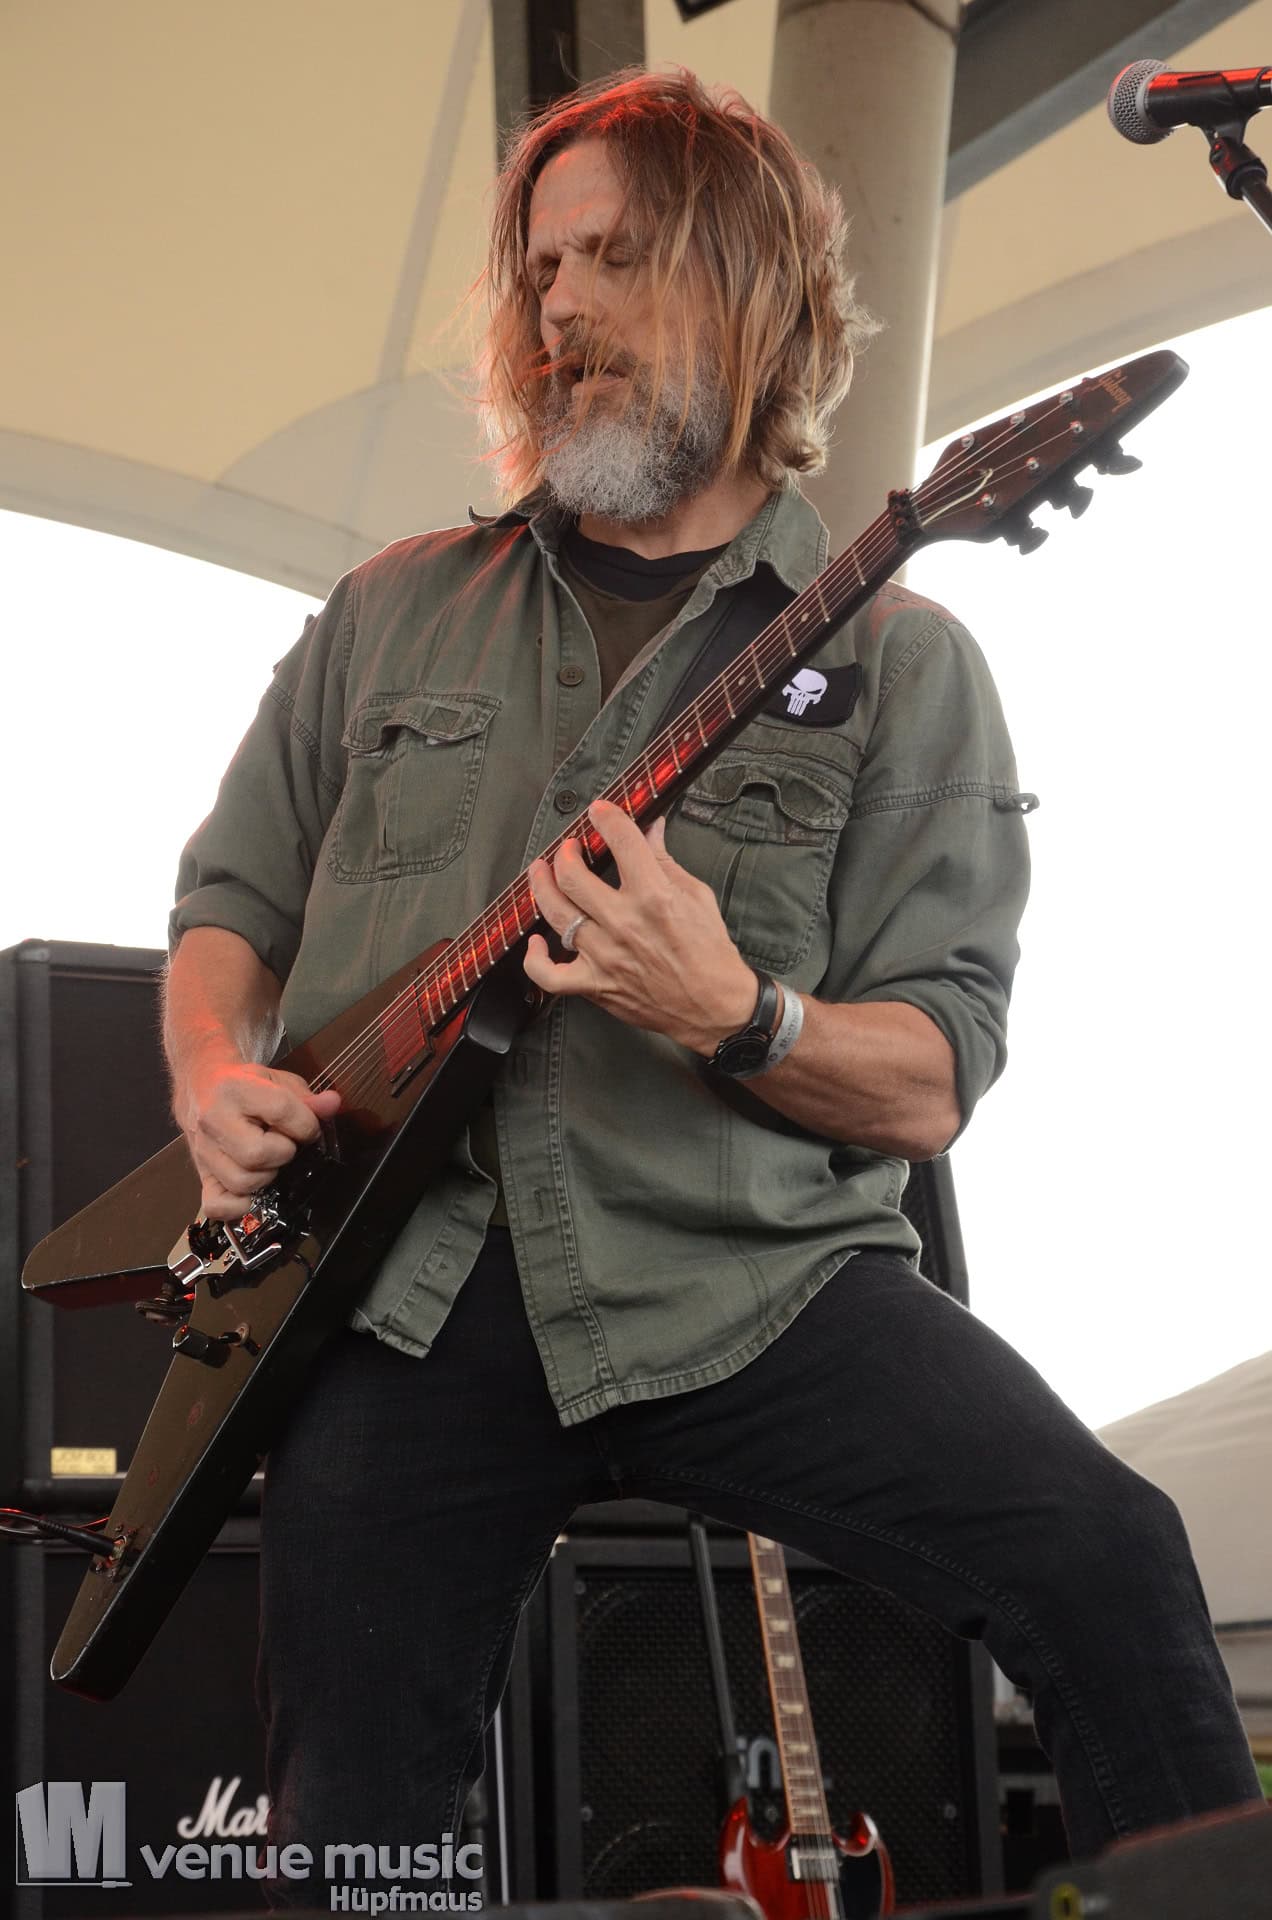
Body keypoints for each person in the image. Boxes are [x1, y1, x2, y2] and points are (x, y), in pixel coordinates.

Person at [163, 67, 1263, 1908]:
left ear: (747, 286)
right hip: (401, 1290)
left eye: (612, 259)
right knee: (349, 1832)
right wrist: (213, 1079)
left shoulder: (903, 659)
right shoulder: (391, 611)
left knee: (1111, 1558)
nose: (560, 308)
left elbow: (930, 1077)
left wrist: (734, 1014)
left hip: (756, 1278)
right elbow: (229, 905)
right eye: (542, 270)